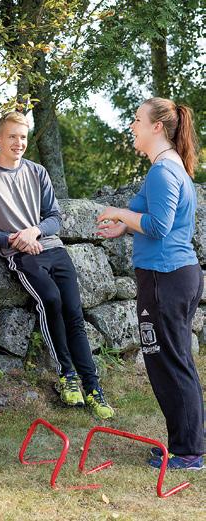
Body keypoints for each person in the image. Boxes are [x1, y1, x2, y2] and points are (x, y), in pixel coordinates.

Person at [0, 111, 114, 419]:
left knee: (74, 311)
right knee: (50, 300)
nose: (18, 142)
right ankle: (66, 376)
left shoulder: (38, 172)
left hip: (52, 249)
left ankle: (94, 387)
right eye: (12, 137)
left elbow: (54, 218)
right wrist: (14, 240)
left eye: (22, 136)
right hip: (21, 256)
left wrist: (35, 230)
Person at [97, 97, 204, 469]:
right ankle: (185, 446)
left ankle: (190, 452)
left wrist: (119, 212)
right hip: (173, 275)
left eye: (137, 119)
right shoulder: (169, 167)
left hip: (166, 278)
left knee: (169, 362)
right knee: (173, 361)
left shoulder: (163, 171)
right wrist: (125, 226)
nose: (132, 125)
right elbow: (161, 220)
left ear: (157, 126)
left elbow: (158, 227)